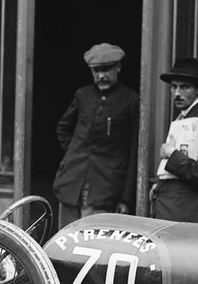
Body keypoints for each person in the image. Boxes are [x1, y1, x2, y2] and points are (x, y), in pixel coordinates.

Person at [51, 43, 138, 227]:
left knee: (92, 243)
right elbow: (63, 128)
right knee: (64, 240)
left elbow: (133, 152)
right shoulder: (83, 95)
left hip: (106, 189)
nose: (101, 76)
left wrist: (126, 199)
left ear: (118, 68)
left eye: (107, 70)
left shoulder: (131, 100)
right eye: (96, 71)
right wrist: (73, 153)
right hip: (72, 183)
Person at [149, 57, 198, 224]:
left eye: (184, 87)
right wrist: (160, 185)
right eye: (174, 87)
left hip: (186, 213)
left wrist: (172, 154)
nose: (177, 93)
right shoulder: (184, 117)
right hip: (174, 209)